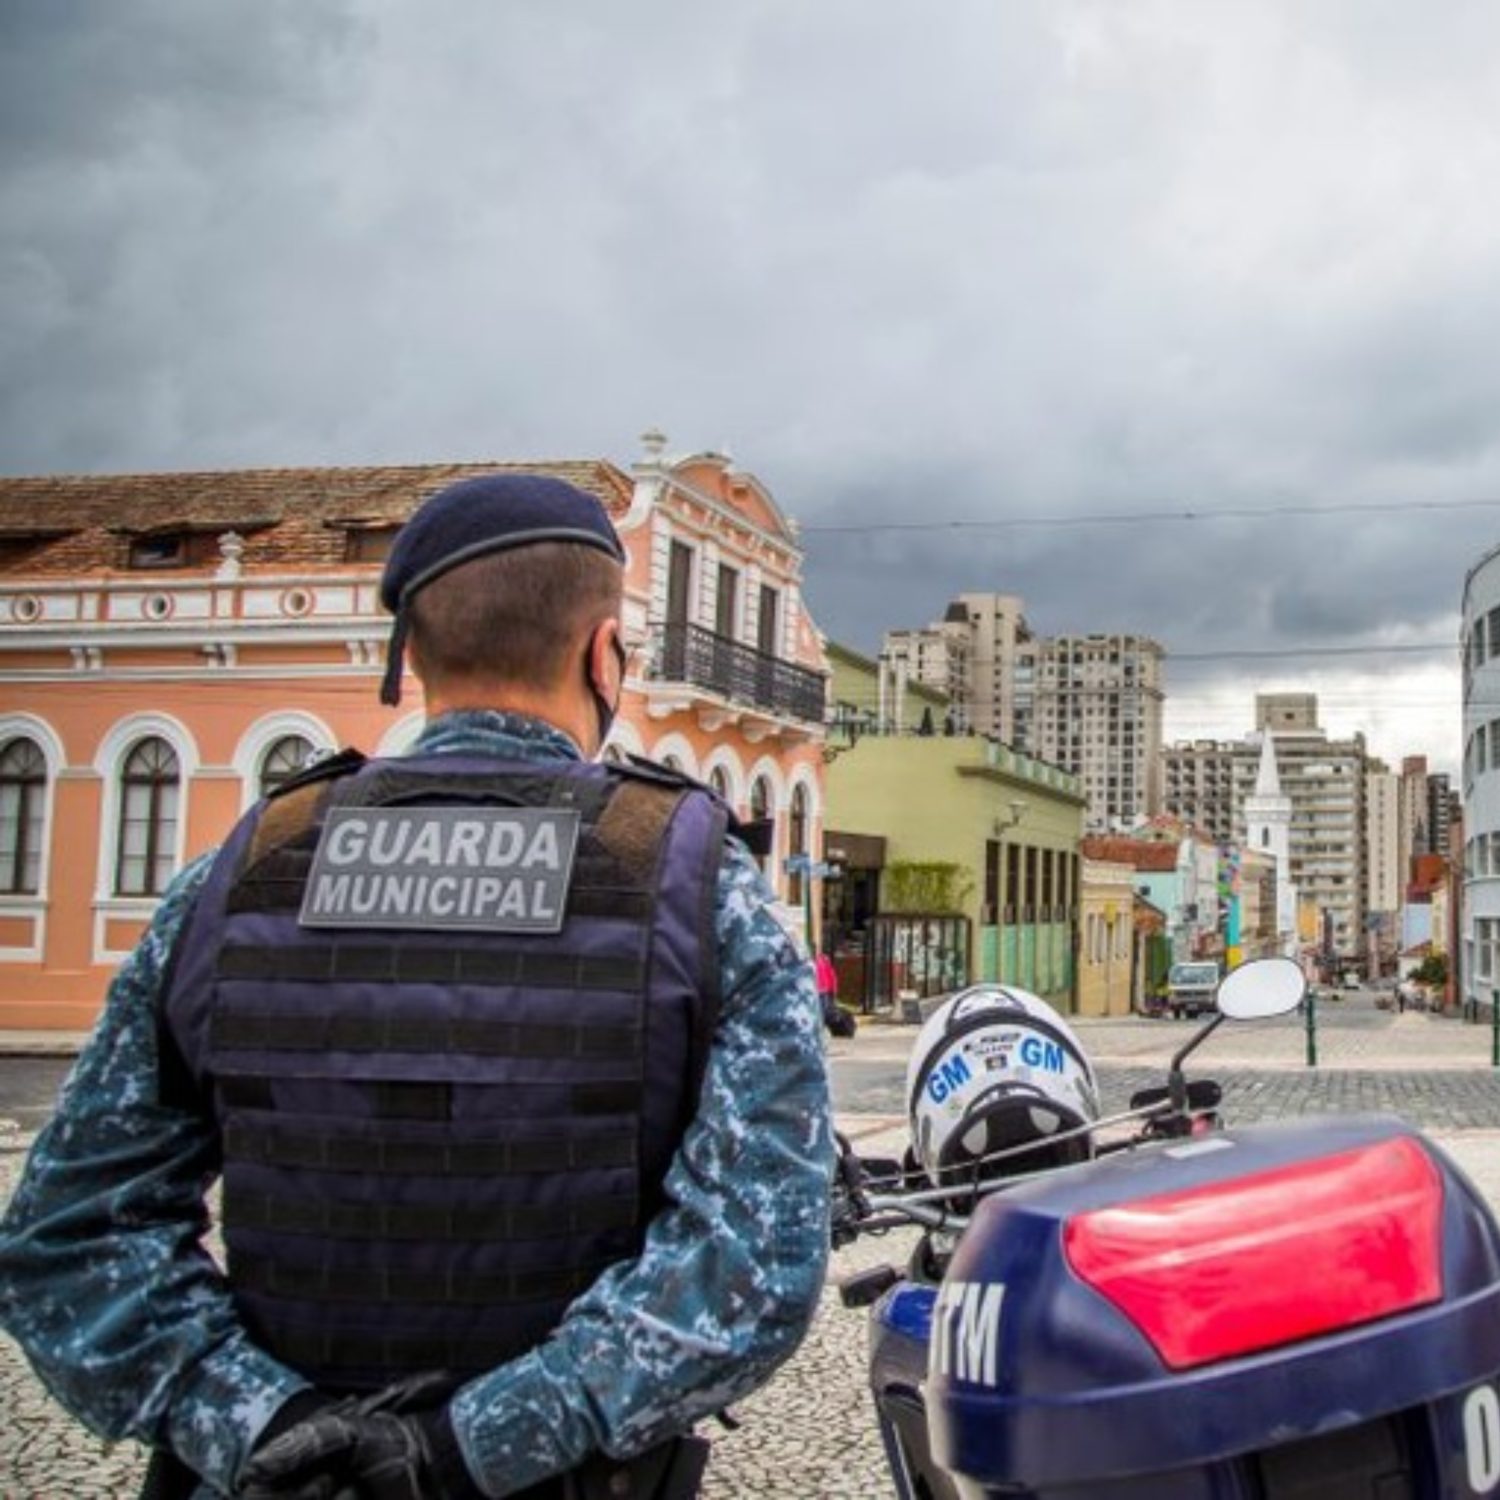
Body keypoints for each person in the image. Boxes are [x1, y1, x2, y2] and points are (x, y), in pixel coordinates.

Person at [0, 473, 834, 1500]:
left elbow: (67, 1239)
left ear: (411, 655)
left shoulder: (245, 868)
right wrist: (461, 1449)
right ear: (602, 653)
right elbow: (753, 1270)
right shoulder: (699, 885)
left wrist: (271, 1428)